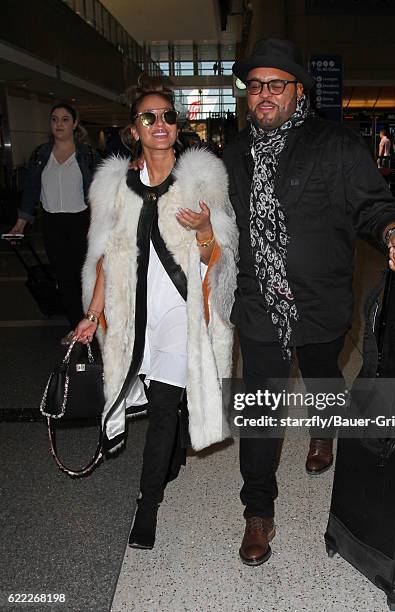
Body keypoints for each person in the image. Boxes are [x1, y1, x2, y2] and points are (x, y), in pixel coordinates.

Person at [224, 38, 395, 566]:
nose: (263, 94)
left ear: (297, 91)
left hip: (321, 299)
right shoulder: (235, 154)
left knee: (323, 377)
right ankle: (257, 510)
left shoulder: (335, 144)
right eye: (255, 85)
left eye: (275, 84)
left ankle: (324, 430)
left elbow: (374, 205)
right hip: (258, 302)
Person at [73, 77, 238, 550]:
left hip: (180, 313)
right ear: (134, 130)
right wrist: (92, 312)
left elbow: (218, 259)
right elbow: (105, 255)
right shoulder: (113, 186)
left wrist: (206, 229)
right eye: (149, 117)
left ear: (177, 124)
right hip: (131, 312)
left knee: (165, 402)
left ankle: (147, 507)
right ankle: (170, 455)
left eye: (167, 115)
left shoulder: (201, 181)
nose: (160, 124)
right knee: (149, 393)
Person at [9, 103, 101, 340]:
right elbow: (30, 189)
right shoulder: (41, 154)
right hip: (52, 224)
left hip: (82, 222)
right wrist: (21, 222)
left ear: (75, 123)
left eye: (64, 119)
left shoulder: (87, 154)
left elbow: (104, 186)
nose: (58, 125)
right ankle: (75, 328)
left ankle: (94, 326)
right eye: (54, 119)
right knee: (65, 280)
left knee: (87, 278)